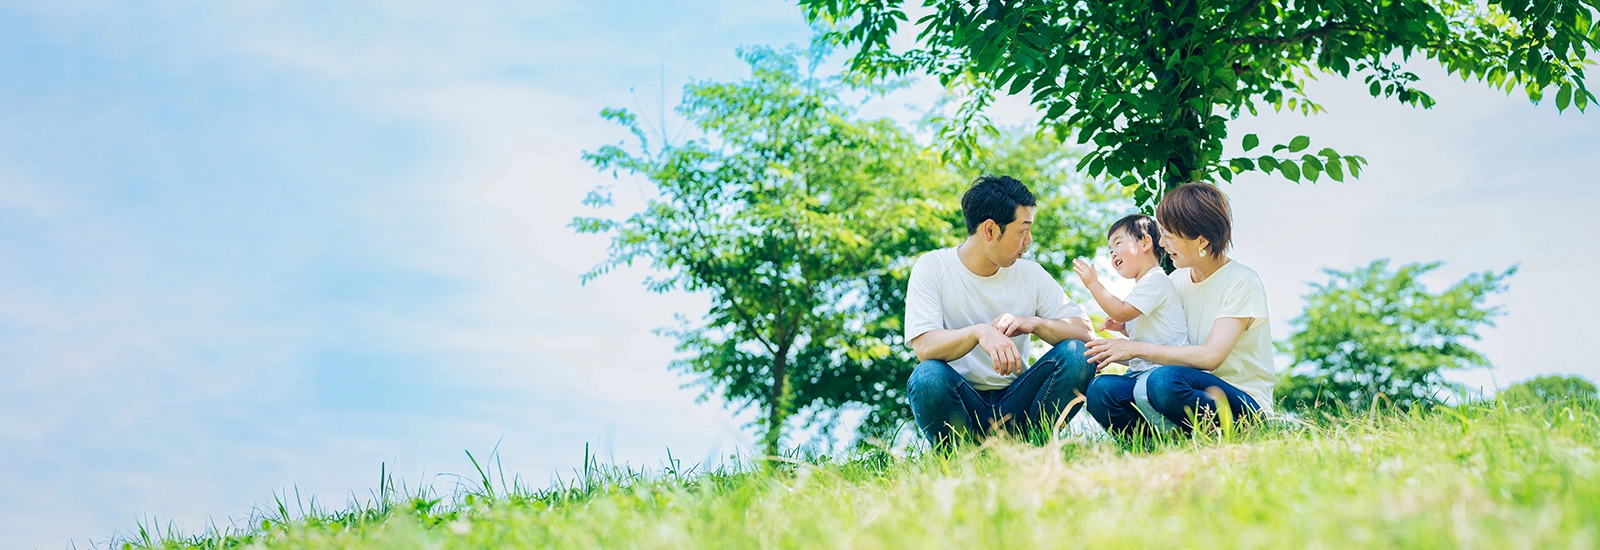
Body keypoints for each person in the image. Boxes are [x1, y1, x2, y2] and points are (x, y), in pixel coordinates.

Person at [904, 175, 1097, 448]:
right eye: (1022, 230)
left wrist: (1034, 323)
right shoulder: (932, 267)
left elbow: (1086, 335)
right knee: (927, 376)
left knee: (1078, 356)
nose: (1028, 241)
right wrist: (979, 333)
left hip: (1019, 403)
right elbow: (924, 347)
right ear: (990, 230)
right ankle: (960, 458)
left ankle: (1036, 448)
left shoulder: (1031, 274)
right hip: (961, 400)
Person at [1083, 183, 1275, 436]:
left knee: (1163, 381)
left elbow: (1210, 357)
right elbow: (1167, 342)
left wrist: (1133, 348)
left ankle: (1235, 434)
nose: (1162, 243)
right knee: (1101, 389)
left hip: (1241, 403)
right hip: (1181, 387)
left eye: (1170, 237)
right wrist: (1122, 341)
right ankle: (1158, 447)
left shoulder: (1241, 281)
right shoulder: (1175, 281)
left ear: (1202, 241)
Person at [1070, 214, 1190, 373]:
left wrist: (1093, 284)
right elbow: (1143, 335)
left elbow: (1121, 311)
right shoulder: (1143, 288)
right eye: (1110, 250)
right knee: (1101, 386)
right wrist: (1122, 328)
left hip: (1167, 372)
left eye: (1118, 243)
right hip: (1141, 373)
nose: (1113, 253)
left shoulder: (1156, 281)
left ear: (1146, 242)